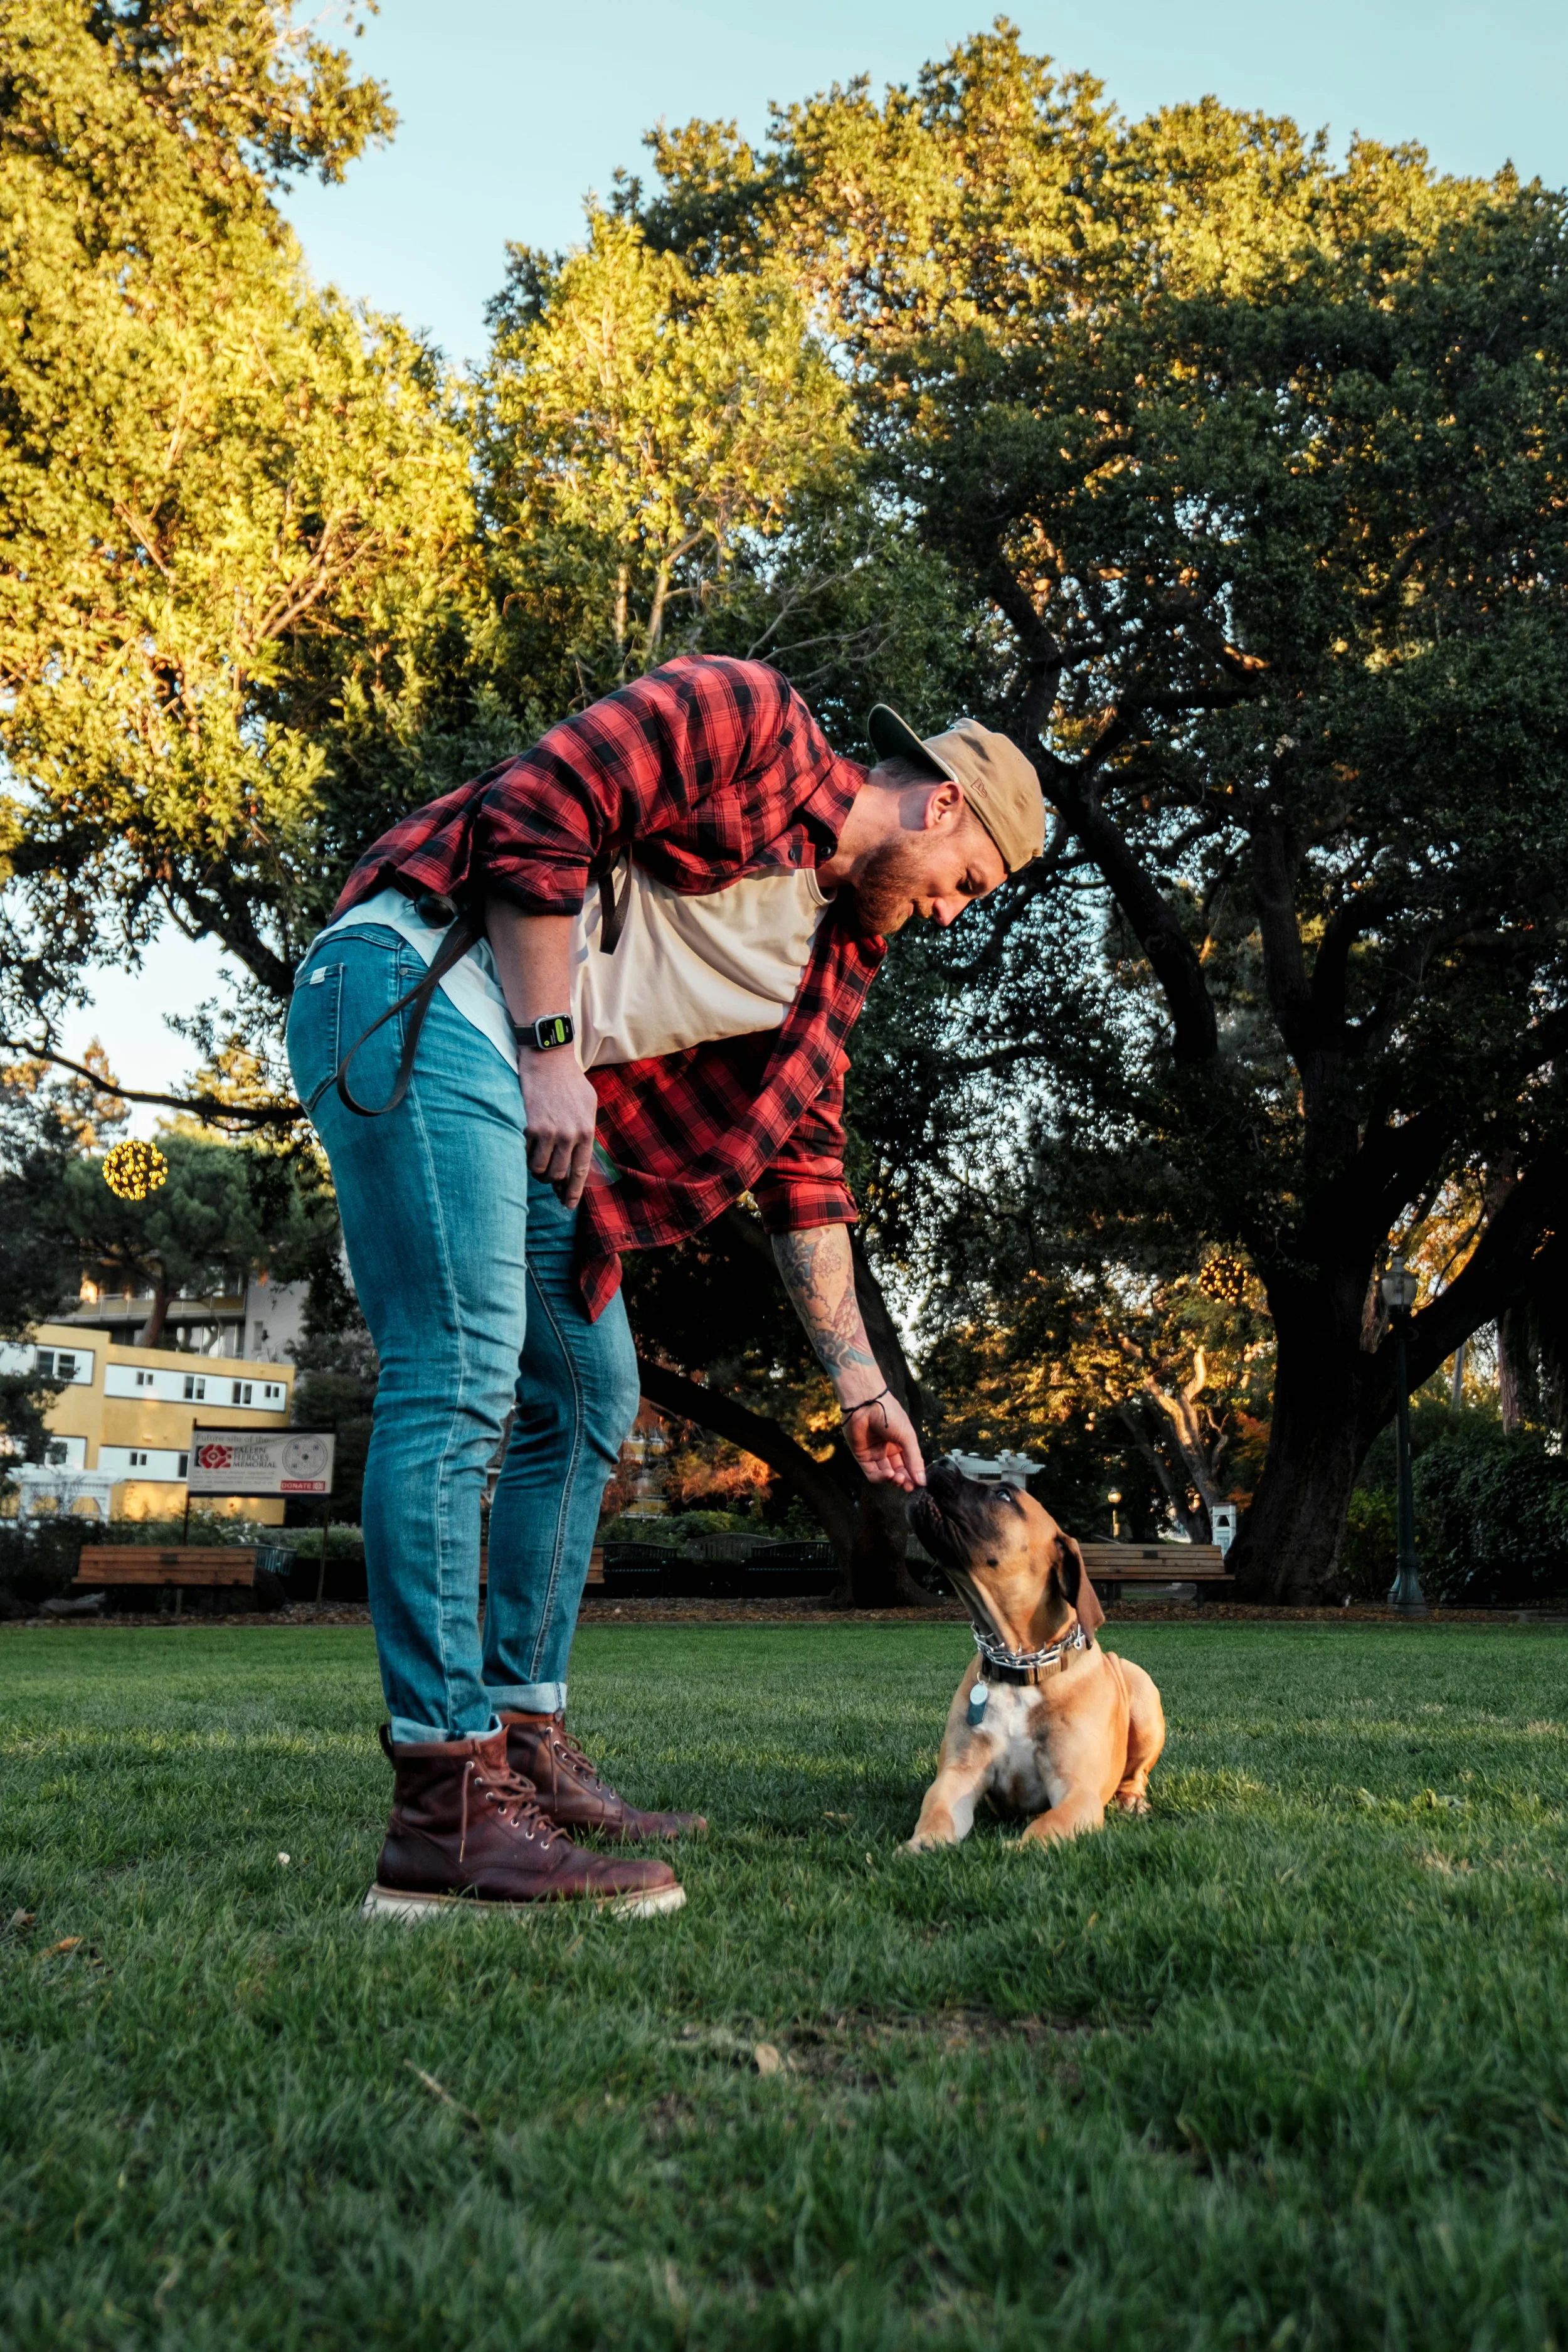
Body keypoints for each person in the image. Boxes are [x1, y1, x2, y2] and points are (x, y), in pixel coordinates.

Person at [286, 654, 1044, 1918]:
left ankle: (522, 1748)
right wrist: (550, 1055)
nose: (952, 913)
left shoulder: (830, 972)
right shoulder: (747, 722)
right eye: (964, 885)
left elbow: (803, 1173)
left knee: (592, 1394)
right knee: (462, 1371)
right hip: (415, 992)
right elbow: (540, 807)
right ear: (940, 807)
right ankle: (442, 1807)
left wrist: (860, 1386)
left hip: (524, 1096)